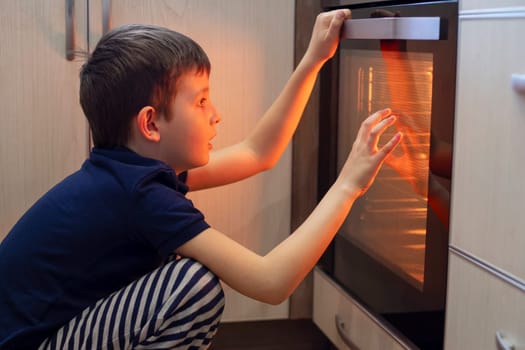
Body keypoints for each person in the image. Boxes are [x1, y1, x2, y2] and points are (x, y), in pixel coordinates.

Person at [0, 9, 402, 349]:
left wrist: (314, 58)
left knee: (186, 275)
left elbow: (257, 153)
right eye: (201, 100)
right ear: (150, 123)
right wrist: (350, 183)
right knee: (193, 285)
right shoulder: (140, 194)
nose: (216, 114)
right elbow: (271, 281)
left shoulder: (126, 172)